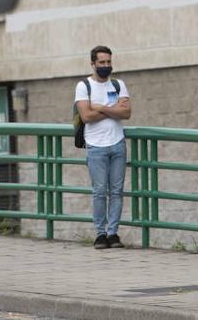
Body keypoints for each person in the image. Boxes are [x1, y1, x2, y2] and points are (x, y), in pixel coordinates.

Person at [75, 45, 131, 249]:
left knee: (116, 191)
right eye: (102, 63)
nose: (106, 66)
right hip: (95, 145)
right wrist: (112, 109)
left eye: (108, 62)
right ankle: (100, 234)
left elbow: (126, 113)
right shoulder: (84, 86)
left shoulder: (118, 85)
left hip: (117, 143)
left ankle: (113, 233)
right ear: (93, 64)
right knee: (99, 191)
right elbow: (86, 117)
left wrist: (99, 107)